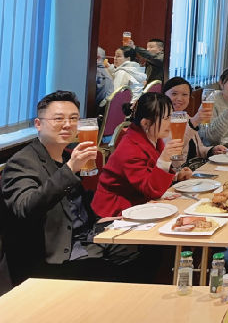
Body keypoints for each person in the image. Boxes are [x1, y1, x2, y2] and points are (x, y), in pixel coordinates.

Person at [0, 91, 138, 285]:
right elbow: (26, 207)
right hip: (53, 255)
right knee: (118, 271)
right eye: (58, 119)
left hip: (85, 238)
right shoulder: (22, 162)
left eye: (73, 119)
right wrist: (70, 169)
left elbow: (75, 205)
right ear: (38, 124)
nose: (67, 124)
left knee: (140, 247)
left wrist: (102, 219)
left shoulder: (67, 156)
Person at [92, 93, 191, 217]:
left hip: (139, 202)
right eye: (166, 118)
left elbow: (148, 172)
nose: (171, 122)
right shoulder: (130, 148)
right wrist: (165, 159)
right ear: (145, 123)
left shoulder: (152, 137)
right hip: (115, 210)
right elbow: (151, 190)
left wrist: (175, 176)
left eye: (171, 116)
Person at [162, 77, 227, 166]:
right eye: (174, 94)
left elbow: (198, 149)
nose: (179, 98)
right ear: (164, 95)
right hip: (175, 171)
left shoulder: (186, 117)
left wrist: (211, 150)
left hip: (193, 168)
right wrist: (193, 123)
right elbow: (172, 150)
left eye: (184, 94)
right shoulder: (160, 120)